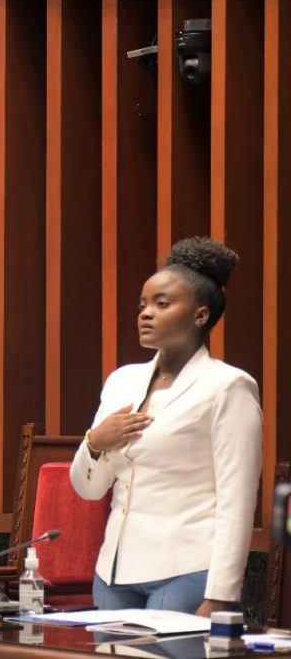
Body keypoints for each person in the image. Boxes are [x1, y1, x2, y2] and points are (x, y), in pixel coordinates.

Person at [71, 237, 262, 616]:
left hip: (187, 570)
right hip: (114, 571)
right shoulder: (121, 381)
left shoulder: (227, 386)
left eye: (162, 304)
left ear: (200, 315)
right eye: (143, 305)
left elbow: (236, 500)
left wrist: (222, 593)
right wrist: (95, 441)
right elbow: (89, 489)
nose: (146, 314)